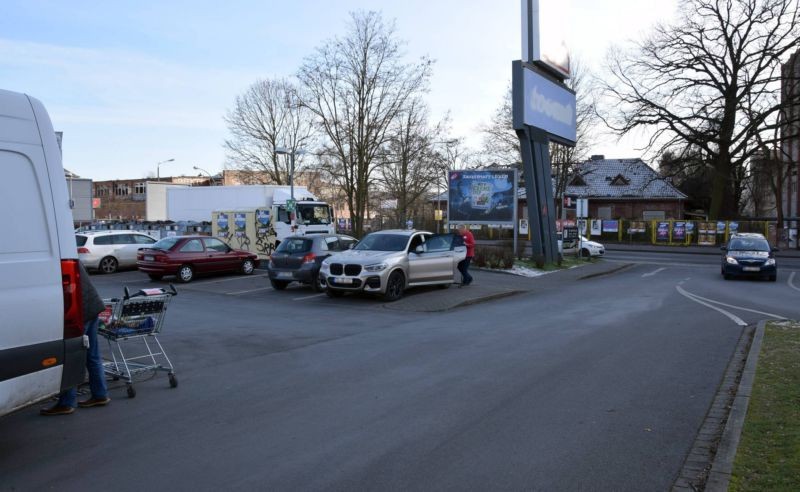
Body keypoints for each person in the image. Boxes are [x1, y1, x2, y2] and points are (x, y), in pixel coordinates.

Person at [41, 262, 110, 415]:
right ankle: (100, 394)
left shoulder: (61, 261)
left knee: (71, 356)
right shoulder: (68, 255)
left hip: (80, 311)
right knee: (92, 355)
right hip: (92, 307)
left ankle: (67, 402)